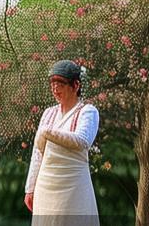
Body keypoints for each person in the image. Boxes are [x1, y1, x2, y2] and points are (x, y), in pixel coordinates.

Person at [24, 59, 100, 225]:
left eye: (60, 84)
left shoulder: (88, 112)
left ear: (76, 85)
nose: (55, 89)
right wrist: (30, 188)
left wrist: (47, 132)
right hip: (45, 187)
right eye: (52, 84)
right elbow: (37, 153)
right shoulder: (48, 113)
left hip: (73, 187)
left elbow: (82, 141)